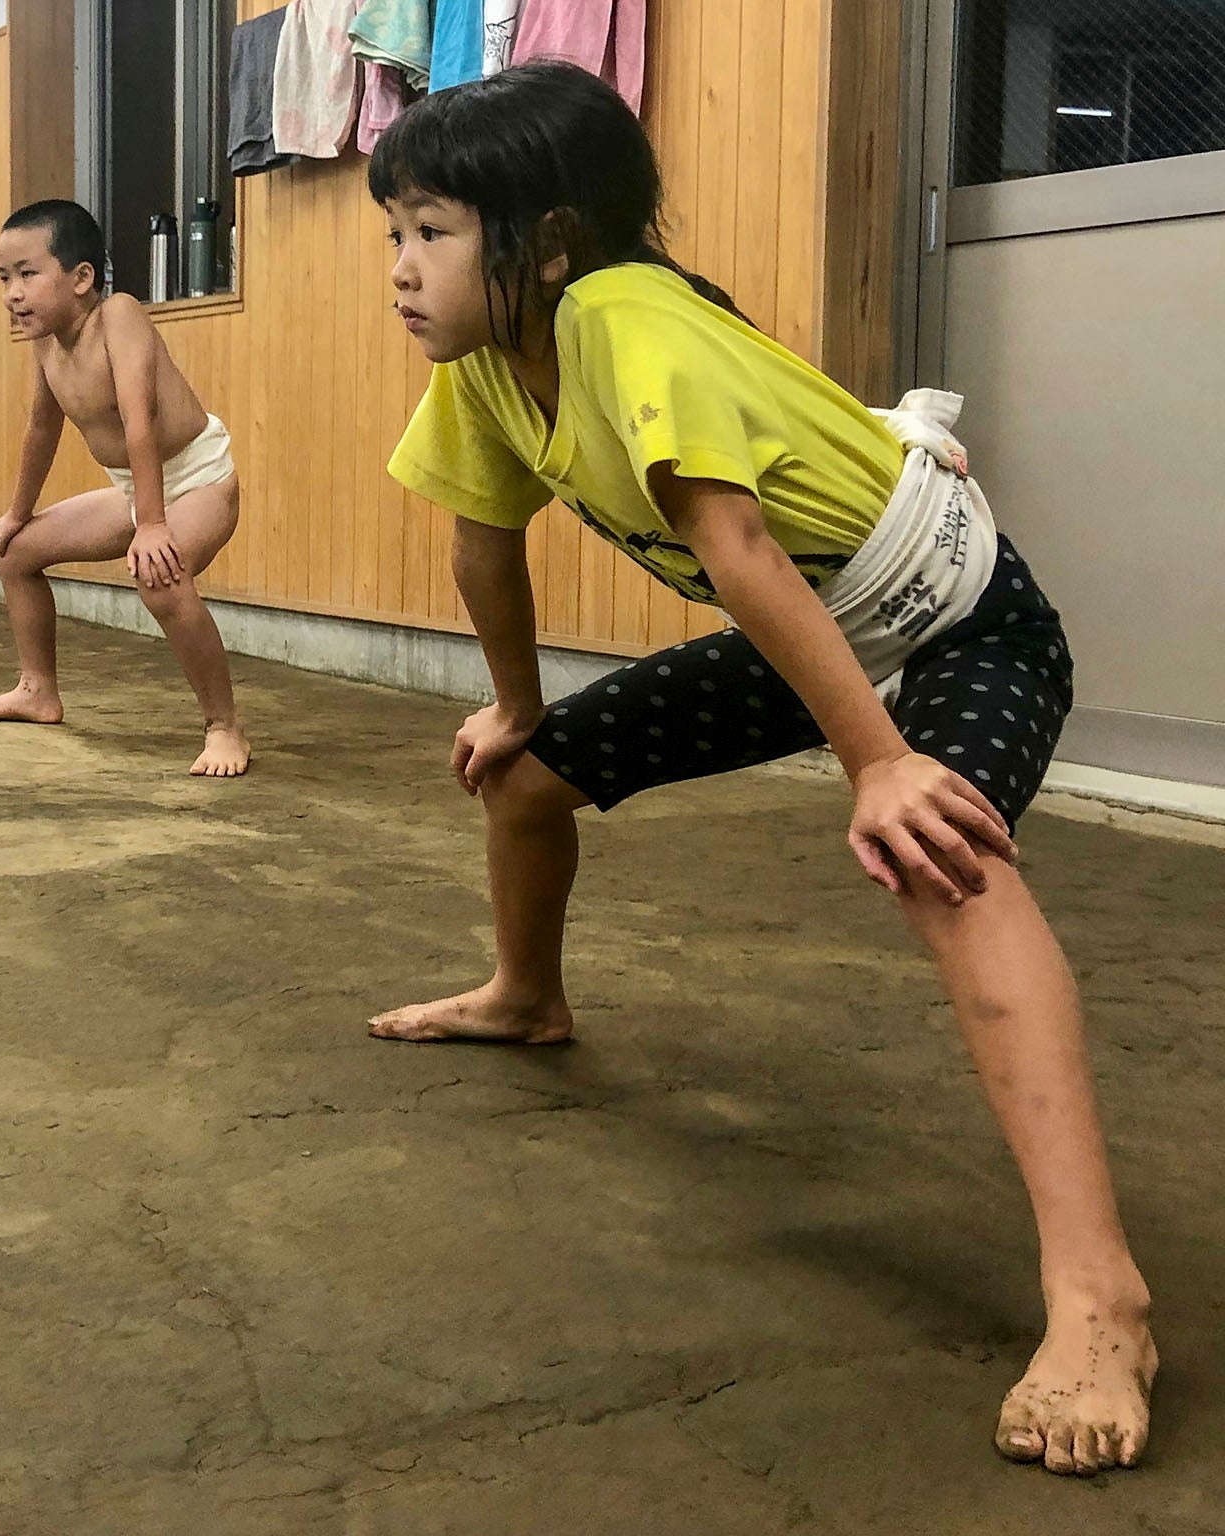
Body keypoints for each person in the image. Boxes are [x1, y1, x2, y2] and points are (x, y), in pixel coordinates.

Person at [366, 62, 1153, 1476]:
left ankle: (1101, 1295)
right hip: (817, 628)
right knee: (533, 780)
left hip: (957, 615)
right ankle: (526, 993)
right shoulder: (487, 364)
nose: (403, 270)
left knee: (943, 853)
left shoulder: (617, 312)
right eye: (394, 235)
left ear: (546, 240)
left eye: (430, 231)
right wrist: (513, 705)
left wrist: (879, 766)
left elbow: (738, 549)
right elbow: (484, 540)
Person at [0, 200, 252, 777]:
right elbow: (41, 429)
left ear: (82, 278)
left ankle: (224, 726)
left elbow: (137, 419)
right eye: (3, 278)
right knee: (14, 554)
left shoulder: (118, 314)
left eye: (27, 274)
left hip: (198, 480)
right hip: (135, 488)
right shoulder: (45, 343)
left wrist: (151, 525)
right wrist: (17, 513)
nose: (12, 294)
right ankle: (37, 690)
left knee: (160, 576)